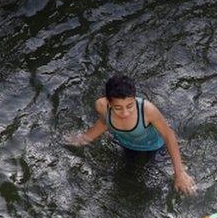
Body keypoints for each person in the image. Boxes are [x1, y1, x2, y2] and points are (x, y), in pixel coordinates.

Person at [67, 73, 196, 195]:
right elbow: (104, 122)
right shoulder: (101, 106)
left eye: (130, 106)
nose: (125, 113)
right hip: (126, 146)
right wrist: (85, 138)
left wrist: (179, 173)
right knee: (121, 184)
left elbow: (169, 135)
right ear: (109, 102)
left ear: (135, 98)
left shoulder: (147, 110)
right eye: (118, 108)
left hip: (155, 149)